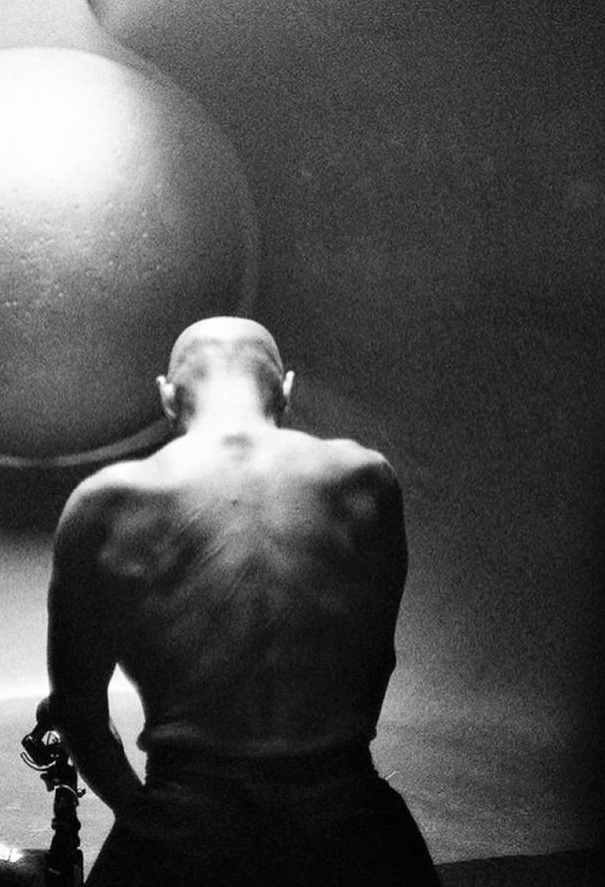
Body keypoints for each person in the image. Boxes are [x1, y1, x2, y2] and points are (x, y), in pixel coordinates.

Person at [47, 316, 440, 887]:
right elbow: (374, 662)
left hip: (187, 815)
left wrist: (147, 820)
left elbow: (77, 709)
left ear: (165, 397)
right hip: (345, 815)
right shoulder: (368, 481)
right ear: (285, 390)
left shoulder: (102, 505)